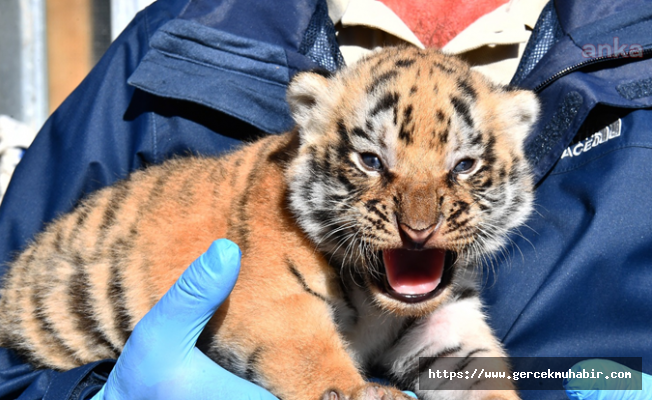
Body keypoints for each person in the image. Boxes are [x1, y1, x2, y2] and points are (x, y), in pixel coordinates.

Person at [0, 0, 650, 399]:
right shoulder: (182, 30)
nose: (418, 221)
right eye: (373, 163)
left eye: (463, 170)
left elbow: (454, 354)